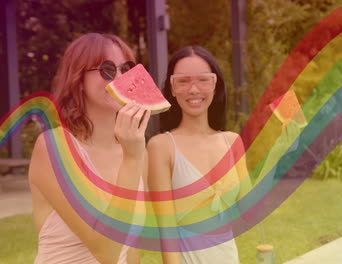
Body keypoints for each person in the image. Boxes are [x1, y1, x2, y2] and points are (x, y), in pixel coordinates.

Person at [28, 33, 149, 264]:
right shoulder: (54, 147)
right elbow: (107, 252)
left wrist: (133, 154)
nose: (120, 77)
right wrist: (132, 159)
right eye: (107, 69)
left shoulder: (133, 149)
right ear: (78, 80)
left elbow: (130, 248)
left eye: (126, 68)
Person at [147, 46, 251, 264]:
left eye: (203, 80)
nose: (193, 89)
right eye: (183, 81)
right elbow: (167, 232)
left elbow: (247, 211)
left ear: (215, 86)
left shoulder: (232, 141)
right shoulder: (161, 146)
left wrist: (278, 148)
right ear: (172, 89)